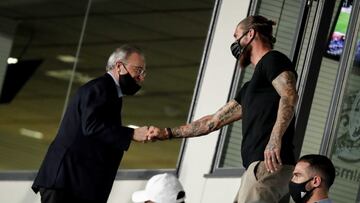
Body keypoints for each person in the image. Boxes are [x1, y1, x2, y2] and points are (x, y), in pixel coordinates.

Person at [147, 15, 299, 203]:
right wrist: (167, 133)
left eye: (236, 36)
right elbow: (212, 122)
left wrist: (274, 139)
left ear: (250, 34)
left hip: (268, 165)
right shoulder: (250, 88)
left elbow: (289, 95)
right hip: (263, 168)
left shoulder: (272, 60)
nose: (234, 43)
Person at [32, 44, 151, 203]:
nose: (141, 77)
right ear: (119, 66)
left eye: (143, 73)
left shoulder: (110, 94)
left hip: (75, 183)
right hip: (66, 182)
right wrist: (132, 133)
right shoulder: (99, 88)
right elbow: (92, 126)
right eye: (138, 70)